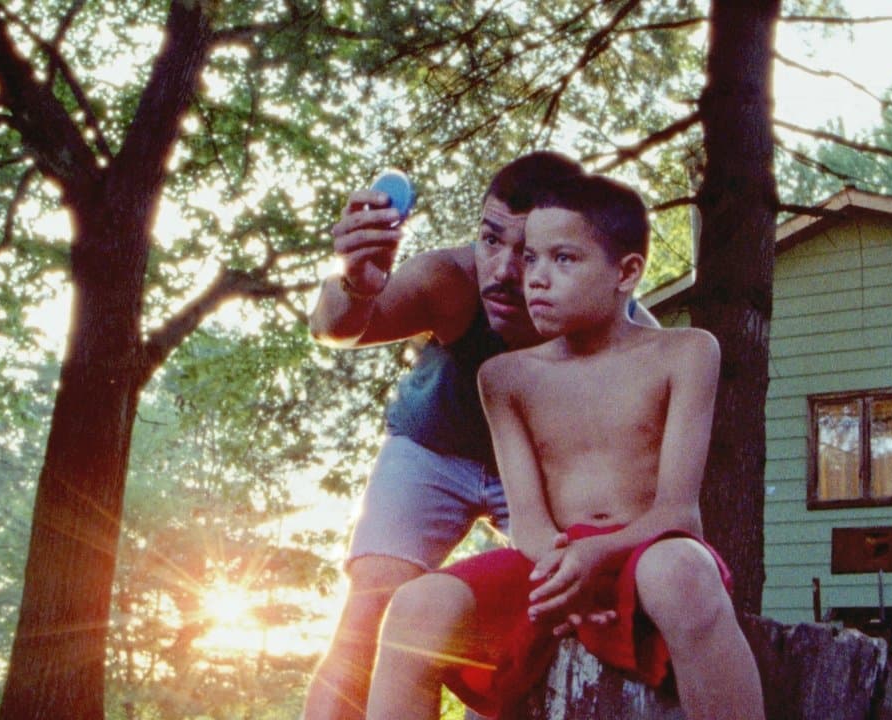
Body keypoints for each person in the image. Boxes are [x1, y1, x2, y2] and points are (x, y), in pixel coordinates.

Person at [364, 173, 764, 720]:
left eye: (564, 259)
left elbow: (679, 514)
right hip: (552, 560)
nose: (535, 278)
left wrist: (596, 555)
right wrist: (564, 571)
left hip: (649, 551)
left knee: (680, 573)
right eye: (532, 258)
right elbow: (527, 522)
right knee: (414, 608)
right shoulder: (504, 377)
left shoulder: (686, 353)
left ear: (626, 273)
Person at [304, 153, 662, 720]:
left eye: (531, 252)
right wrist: (354, 282)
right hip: (433, 449)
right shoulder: (450, 280)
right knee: (369, 609)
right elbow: (335, 328)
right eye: (491, 239)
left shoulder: (626, 332)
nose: (502, 271)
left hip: (543, 467)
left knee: (552, 614)